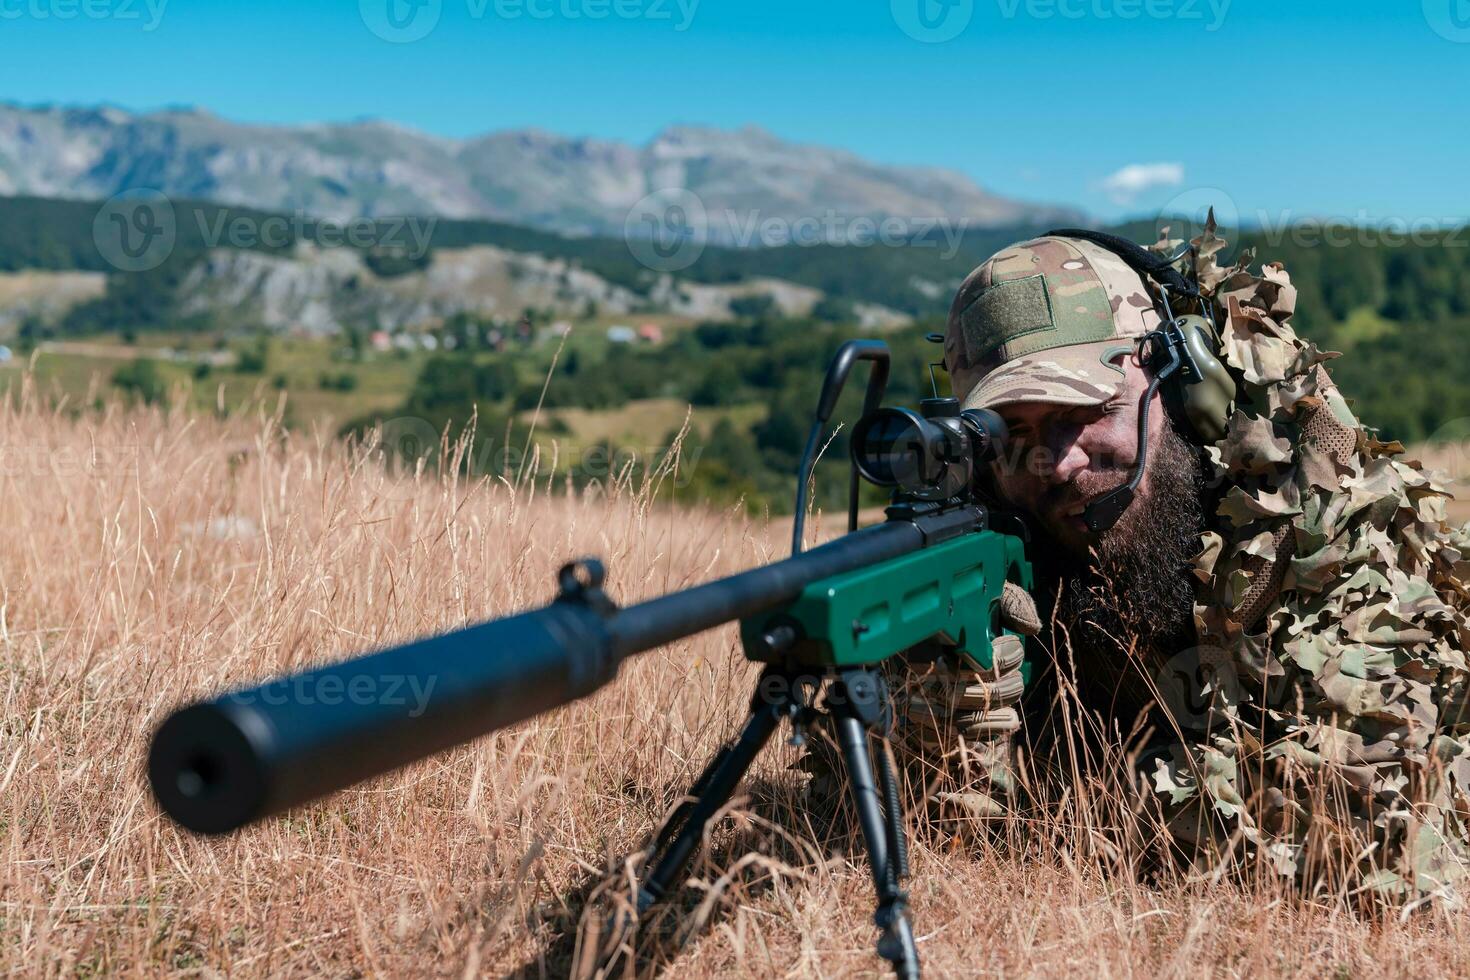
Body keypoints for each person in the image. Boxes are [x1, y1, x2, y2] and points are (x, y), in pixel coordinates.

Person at [899, 217, 1470, 900]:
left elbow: (1370, 841)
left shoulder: (1315, 518)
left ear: (1180, 385)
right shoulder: (990, 534)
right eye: (1011, 431)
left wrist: (1047, 795)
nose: (1054, 464)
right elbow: (860, 804)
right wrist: (936, 728)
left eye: (1079, 414)